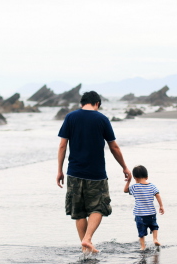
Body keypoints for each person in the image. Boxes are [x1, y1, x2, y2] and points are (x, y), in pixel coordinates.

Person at [56, 91, 131, 253]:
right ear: (97, 103)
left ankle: (85, 249)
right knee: (99, 207)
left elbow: (62, 146)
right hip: (96, 173)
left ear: (82, 103)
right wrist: (124, 167)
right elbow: (114, 147)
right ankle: (88, 239)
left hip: (74, 172)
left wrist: (59, 170)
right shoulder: (102, 119)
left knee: (79, 211)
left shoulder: (70, 117)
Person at [124, 165, 164, 250]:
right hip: (151, 213)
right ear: (147, 177)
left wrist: (128, 181)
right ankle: (155, 239)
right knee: (154, 226)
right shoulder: (152, 186)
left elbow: (125, 190)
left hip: (140, 214)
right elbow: (158, 195)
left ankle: (142, 246)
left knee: (141, 231)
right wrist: (161, 206)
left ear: (135, 178)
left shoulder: (135, 187)